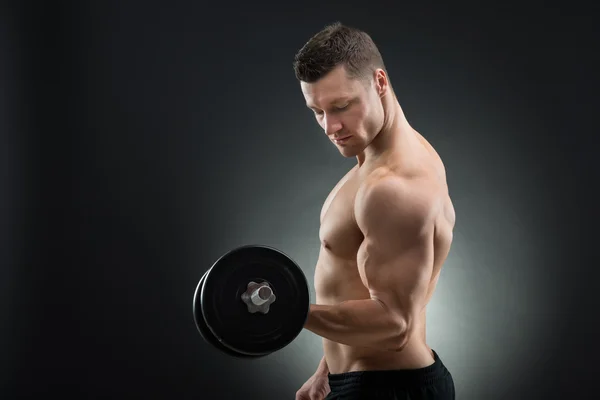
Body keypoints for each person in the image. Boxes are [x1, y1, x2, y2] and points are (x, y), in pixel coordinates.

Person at [292, 22, 457, 400]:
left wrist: (291, 313)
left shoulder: (393, 187)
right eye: (317, 111)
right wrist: (326, 371)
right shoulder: (378, 157)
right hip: (363, 382)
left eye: (341, 106)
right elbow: (379, 288)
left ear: (379, 82)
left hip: (388, 389)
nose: (330, 126)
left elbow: (396, 322)